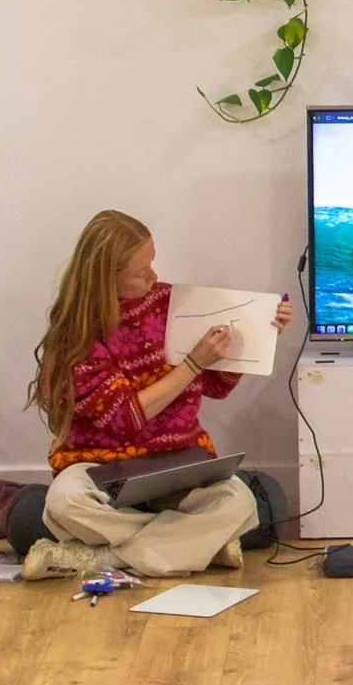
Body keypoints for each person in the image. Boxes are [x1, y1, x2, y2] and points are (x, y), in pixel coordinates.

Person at [20, 209, 288, 580]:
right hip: (101, 468)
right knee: (64, 503)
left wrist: (258, 336)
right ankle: (192, 545)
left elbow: (216, 386)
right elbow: (124, 419)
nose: (154, 277)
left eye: (152, 263)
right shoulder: (75, 335)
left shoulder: (171, 303)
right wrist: (193, 364)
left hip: (174, 464)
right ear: (105, 276)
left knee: (240, 501)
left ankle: (100, 558)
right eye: (141, 271)